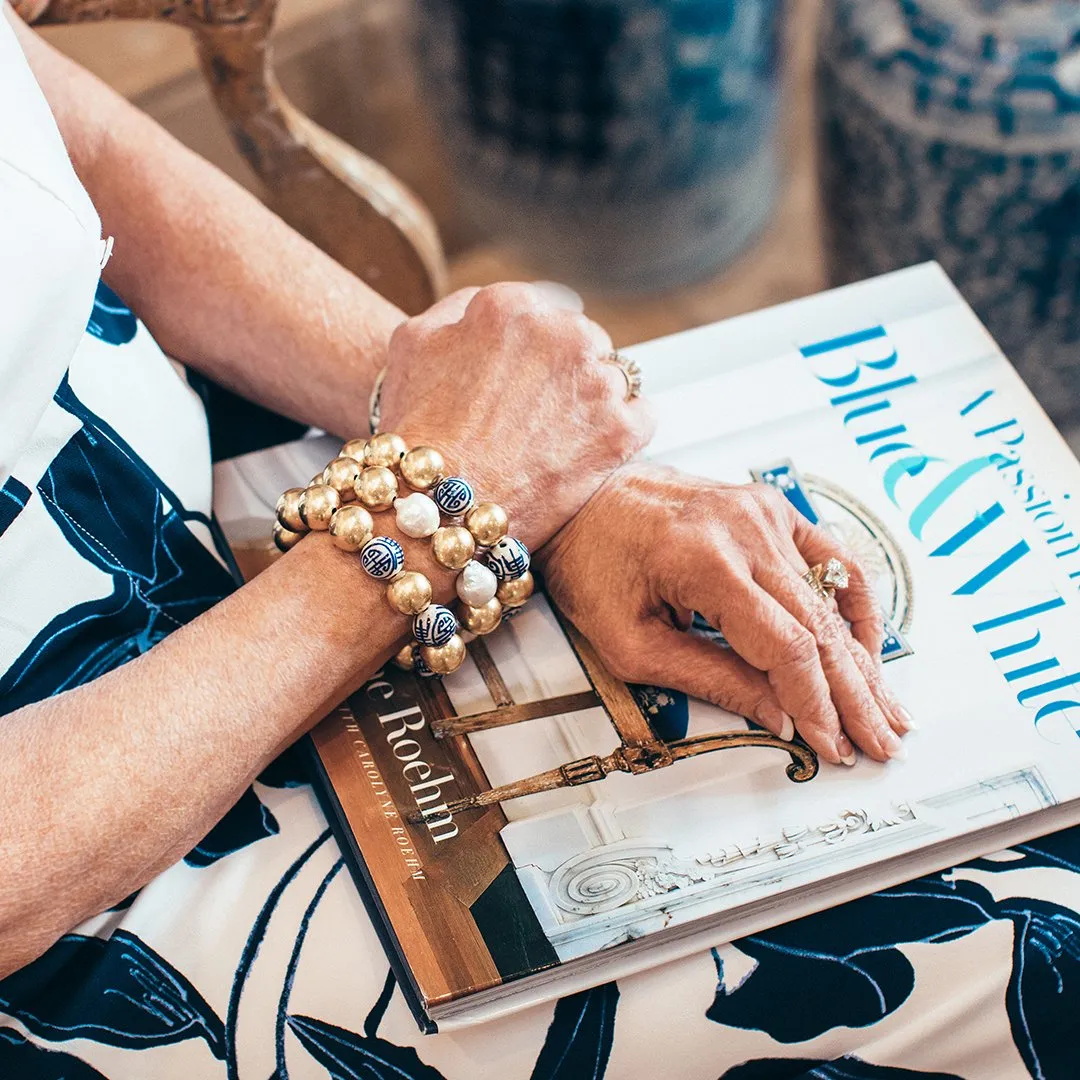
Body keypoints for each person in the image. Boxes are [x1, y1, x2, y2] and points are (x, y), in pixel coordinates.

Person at [1, 8, 1072, 1080]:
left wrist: (529, 463)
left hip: (218, 454)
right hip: (83, 868)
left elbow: (69, 134)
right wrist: (448, 517)